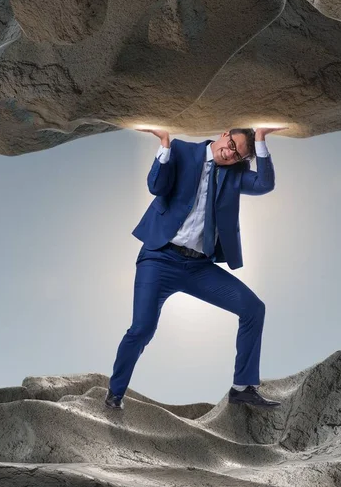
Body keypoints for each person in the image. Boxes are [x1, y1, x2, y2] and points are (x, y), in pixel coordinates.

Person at [105, 126, 287, 409]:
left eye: (238, 155)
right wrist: (164, 145)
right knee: (142, 329)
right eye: (231, 145)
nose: (229, 154)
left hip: (199, 267)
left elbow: (264, 184)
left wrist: (260, 139)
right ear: (225, 134)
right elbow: (156, 187)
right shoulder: (181, 151)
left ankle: (243, 388)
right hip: (160, 257)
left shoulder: (235, 172)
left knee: (253, 308)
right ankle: (114, 395)